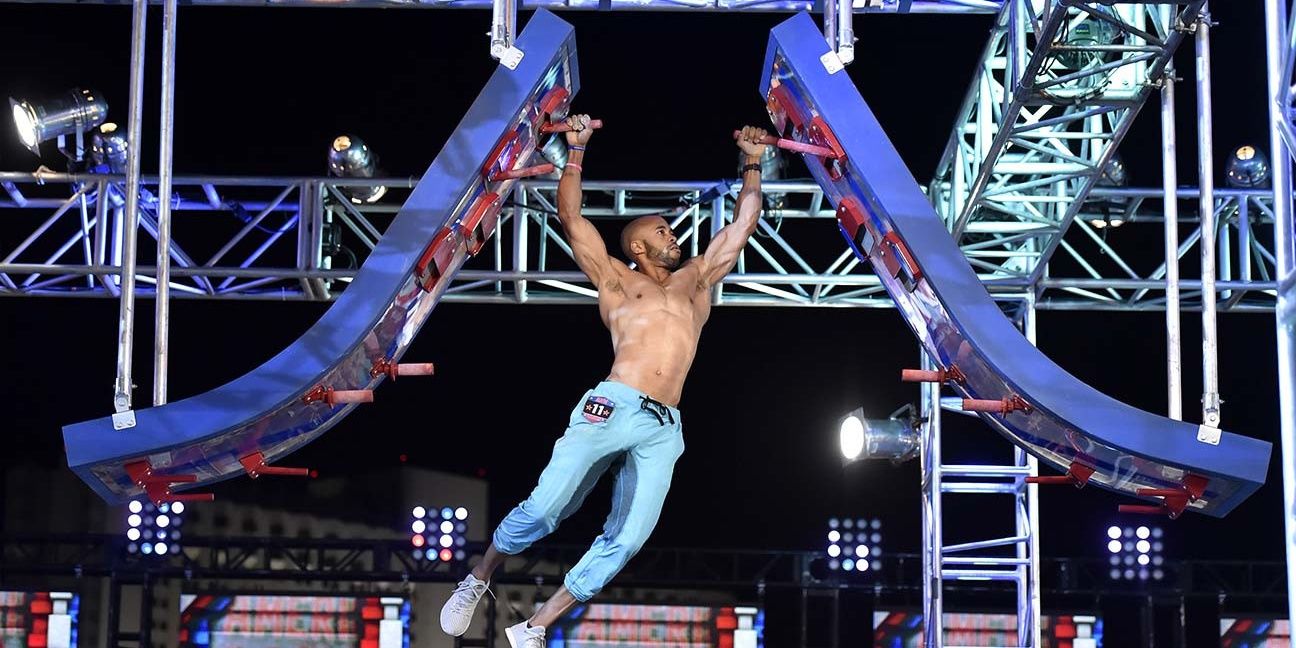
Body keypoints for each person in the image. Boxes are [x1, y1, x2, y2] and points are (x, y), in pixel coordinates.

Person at [440, 114, 770, 648]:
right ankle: (478, 577)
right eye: (662, 231)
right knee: (548, 507)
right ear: (638, 247)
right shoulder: (617, 280)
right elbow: (571, 217)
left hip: (665, 426)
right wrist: (575, 152)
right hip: (613, 405)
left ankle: (535, 627)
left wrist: (752, 163)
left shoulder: (696, 281)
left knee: (629, 538)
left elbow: (742, 226)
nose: (674, 236)